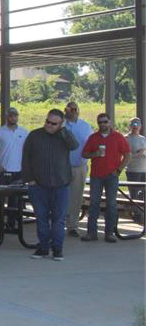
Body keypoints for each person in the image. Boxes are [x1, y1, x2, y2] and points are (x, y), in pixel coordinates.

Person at [21, 109, 78, 261]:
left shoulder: (64, 136)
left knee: (59, 219)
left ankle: (57, 249)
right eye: (47, 121)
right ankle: (43, 248)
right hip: (38, 185)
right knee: (41, 218)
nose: (49, 125)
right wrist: (30, 179)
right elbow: (26, 158)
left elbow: (74, 146)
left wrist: (64, 130)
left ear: (60, 124)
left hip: (61, 184)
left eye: (54, 123)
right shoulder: (34, 135)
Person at [81, 113, 131, 243]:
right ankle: (91, 233)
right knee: (94, 204)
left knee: (111, 204)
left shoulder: (118, 137)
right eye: (100, 122)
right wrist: (95, 153)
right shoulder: (93, 138)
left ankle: (109, 233)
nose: (102, 124)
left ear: (110, 122)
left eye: (105, 121)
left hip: (111, 175)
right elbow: (85, 154)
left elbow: (127, 154)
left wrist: (119, 170)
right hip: (96, 175)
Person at [0, 107, 29, 233]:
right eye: (11, 116)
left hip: (19, 171)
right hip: (3, 171)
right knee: (0, 199)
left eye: (15, 115)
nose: (13, 118)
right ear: (7, 117)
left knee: (15, 200)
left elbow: (28, 149)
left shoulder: (24, 132)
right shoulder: (0, 131)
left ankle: (12, 224)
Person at [63, 102, 93, 237]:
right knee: (61, 195)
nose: (73, 111)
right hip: (62, 167)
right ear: (65, 111)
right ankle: (59, 222)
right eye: (70, 109)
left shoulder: (85, 126)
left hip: (80, 166)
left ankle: (72, 226)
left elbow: (92, 144)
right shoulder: (60, 125)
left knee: (76, 197)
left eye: (75, 109)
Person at [126, 118, 145, 205]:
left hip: (144, 171)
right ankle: (136, 215)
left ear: (140, 126)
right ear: (130, 126)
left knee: (143, 195)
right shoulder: (126, 139)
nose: (135, 127)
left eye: (137, 125)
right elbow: (126, 156)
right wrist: (138, 154)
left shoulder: (143, 139)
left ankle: (142, 214)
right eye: (133, 125)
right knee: (134, 195)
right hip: (133, 171)